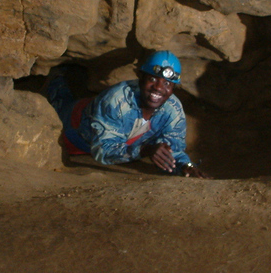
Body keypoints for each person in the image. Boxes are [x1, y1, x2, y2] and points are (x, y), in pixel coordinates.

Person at [45, 51, 209, 178]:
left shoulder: (173, 110)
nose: (158, 88)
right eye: (152, 79)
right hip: (76, 126)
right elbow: (102, 151)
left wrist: (186, 166)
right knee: (57, 101)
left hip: (114, 135)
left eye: (167, 83)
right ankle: (56, 76)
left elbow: (173, 149)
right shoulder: (116, 100)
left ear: (173, 88)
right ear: (140, 77)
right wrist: (145, 150)